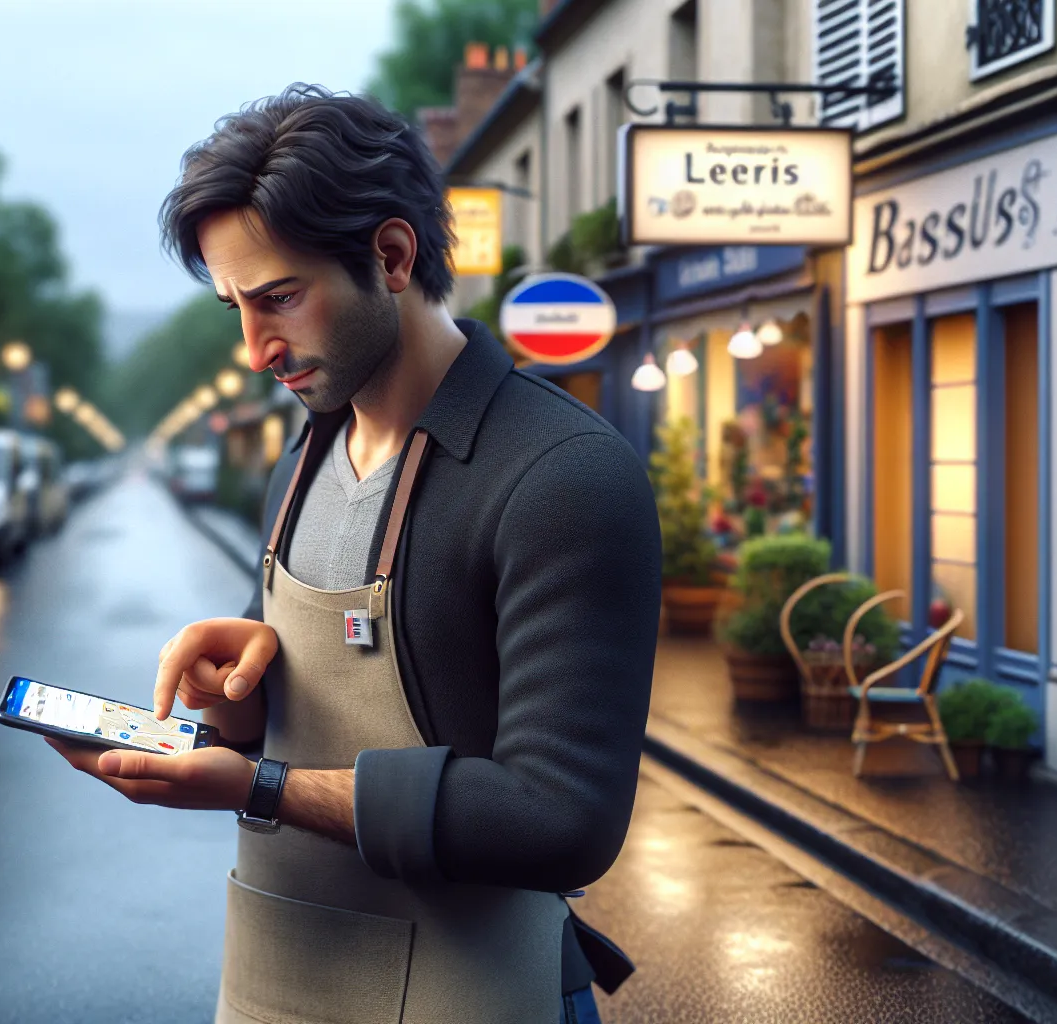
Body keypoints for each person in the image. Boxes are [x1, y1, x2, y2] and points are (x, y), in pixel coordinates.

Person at [48, 84, 660, 1024]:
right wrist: (237, 704)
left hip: (478, 994)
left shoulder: (565, 478)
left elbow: (560, 820)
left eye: (280, 298)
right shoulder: (304, 452)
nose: (256, 348)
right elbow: (314, 718)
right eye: (234, 308)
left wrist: (258, 785)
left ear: (390, 255)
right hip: (273, 986)